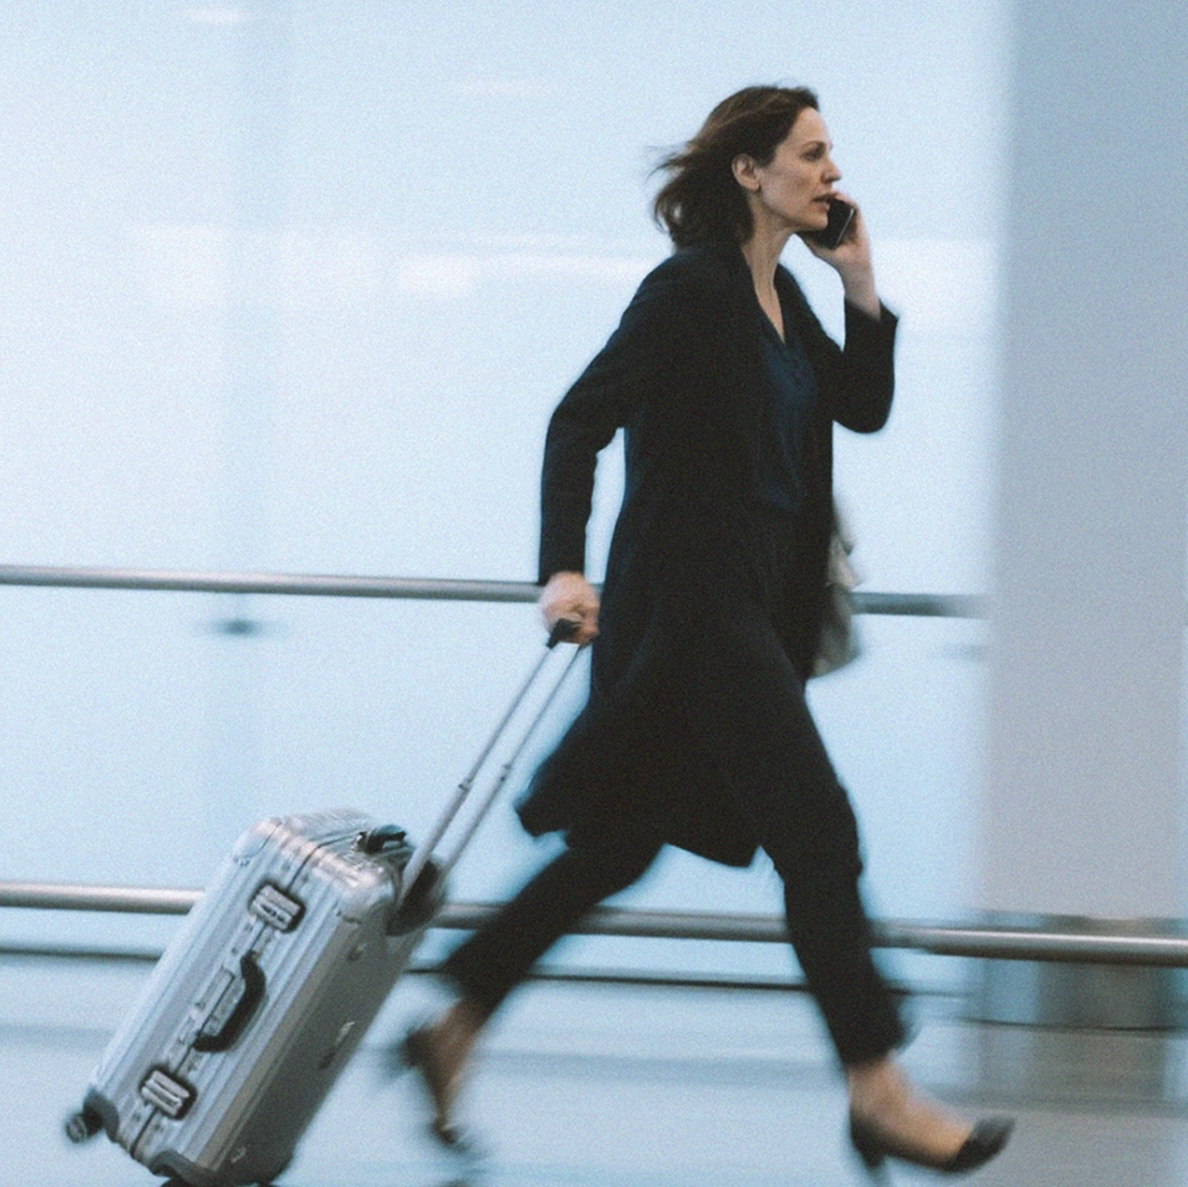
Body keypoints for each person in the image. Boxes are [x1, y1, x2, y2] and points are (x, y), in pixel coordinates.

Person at [400, 86, 1012, 1180]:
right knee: (818, 834)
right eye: (812, 153)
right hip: (691, 614)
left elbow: (861, 409)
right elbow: (578, 420)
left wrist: (860, 280)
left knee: (620, 842)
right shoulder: (689, 293)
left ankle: (453, 1023)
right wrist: (560, 570)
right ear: (749, 170)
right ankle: (878, 1090)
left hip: (744, 621)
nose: (831, 173)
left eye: (832, 156)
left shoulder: (782, 300)